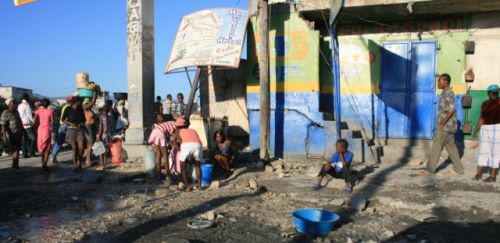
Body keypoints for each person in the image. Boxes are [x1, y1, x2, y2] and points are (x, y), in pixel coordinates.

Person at [423, 73, 464, 175]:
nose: (438, 82)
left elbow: (451, 110)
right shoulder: (446, 92)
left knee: (437, 147)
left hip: (446, 126)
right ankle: (459, 169)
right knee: (452, 147)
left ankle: (430, 169)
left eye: (439, 80)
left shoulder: (448, 93)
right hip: (450, 126)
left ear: (446, 82)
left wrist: (442, 123)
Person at [472, 84, 500, 182]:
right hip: (485, 129)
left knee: (495, 153)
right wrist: (476, 131)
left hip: (497, 129)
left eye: (497, 92)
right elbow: (482, 118)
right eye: (493, 92)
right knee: (482, 152)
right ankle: (479, 174)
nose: (495, 94)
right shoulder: (484, 104)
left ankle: (492, 176)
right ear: (488, 93)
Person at [173, 118, 202, 191]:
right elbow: (197, 140)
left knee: (183, 167)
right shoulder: (193, 130)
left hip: (186, 145)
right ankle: (199, 185)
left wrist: (179, 149)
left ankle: (188, 186)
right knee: (197, 165)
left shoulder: (178, 131)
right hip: (198, 144)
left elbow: (177, 141)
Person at [148, 113, 176, 180]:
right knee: (165, 155)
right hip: (160, 134)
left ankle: (158, 175)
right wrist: (174, 145)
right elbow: (174, 136)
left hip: (154, 133)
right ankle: (168, 175)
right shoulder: (174, 123)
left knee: (158, 155)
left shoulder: (162, 124)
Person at [62, 96, 86, 171]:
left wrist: (81, 124)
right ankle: (75, 164)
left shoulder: (80, 109)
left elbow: (84, 120)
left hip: (79, 130)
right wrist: (71, 123)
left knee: (81, 148)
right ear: (76, 102)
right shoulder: (68, 109)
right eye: (80, 102)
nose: (81, 103)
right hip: (71, 130)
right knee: (74, 148)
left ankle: (79, 161)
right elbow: (63, 119)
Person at [1, 98, 24, 169]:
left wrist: (22, 131)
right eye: (13, 103)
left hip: (18, 133)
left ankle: (15, 164)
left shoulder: (16, 112)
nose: (15, 104)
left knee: (17, 149)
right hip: (11, 134)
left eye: (15, 102)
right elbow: (3, 125)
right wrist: (5, 137)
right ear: (9, 104)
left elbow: (20, 122)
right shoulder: (6, 112)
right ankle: (15, 165)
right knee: (15, 150)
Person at [34, 99, 54, 172]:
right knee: (47, 149)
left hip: (40, 130)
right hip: (47, 130)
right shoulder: (50, 111)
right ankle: (45, 164)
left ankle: (43, 163)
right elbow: (52, 121)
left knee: (42, 148)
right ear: (48, 104)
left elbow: (34, 121)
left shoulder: (38, 111)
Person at [51, 96, 72, 163]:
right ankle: (53, 156)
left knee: (59, 142)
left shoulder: (65, 106)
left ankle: (53, 156)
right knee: (59, 142)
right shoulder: (68, 107)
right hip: (64, 125)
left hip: (63, 125)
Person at [96, 102, 116, 170]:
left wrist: (99, 135)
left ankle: (101, 165)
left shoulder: (102, 117)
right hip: (109, 135)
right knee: (106, 150)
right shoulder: (111, 116)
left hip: (103, 135)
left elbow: (101, 127)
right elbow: (113, 126)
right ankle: (105, 164)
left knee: (100, 150)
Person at [18, 94, 35, 158]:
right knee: (33, 138)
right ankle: (31, 152)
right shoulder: (27, 105)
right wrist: (33, 122)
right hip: (28, 125)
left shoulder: (19, 105)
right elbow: (29, 114)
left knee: (24, 139)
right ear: (27, 98)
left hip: (21, 124)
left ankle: (25, 153)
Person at [83, 94, 97, 166]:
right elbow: (93, 102)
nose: (89, 104)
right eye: (88, 103)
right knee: (90, 143)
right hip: (88, 127)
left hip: (92, 126)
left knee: (91, 143)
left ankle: (89, 158)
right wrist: (95, 94)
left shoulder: (90, 109)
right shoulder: (84, 107)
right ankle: (88, 159)